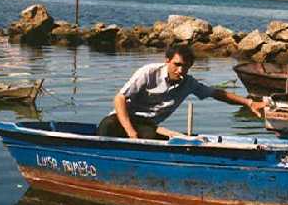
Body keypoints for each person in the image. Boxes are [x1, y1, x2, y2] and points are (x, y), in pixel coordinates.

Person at [96, 45, 265, 140]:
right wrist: (129, 130)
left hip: (147, 126)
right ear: (167, 61)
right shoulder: (148, 73)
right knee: (107, 125)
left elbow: (217, 94)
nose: (180, 70)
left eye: (185, 66)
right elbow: (119, 99)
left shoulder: (188, 83)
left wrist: (249, 102)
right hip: (121, 120)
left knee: (151, 136)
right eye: (176, 64)